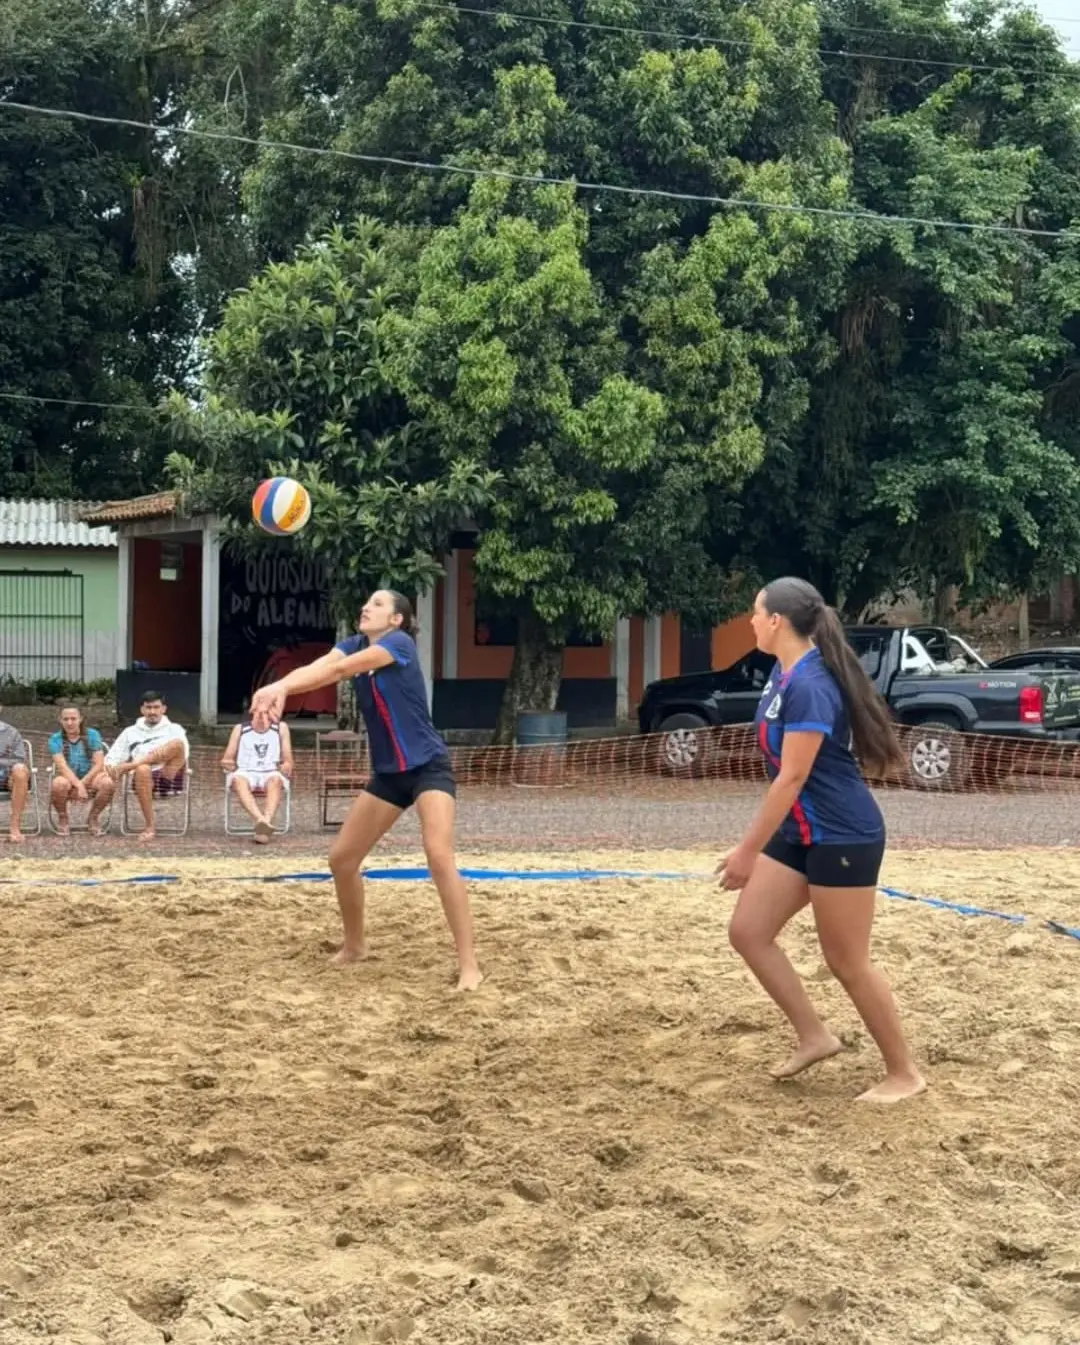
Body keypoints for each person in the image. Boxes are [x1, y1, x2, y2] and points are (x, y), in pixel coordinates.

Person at [718, 577, 926, 1105]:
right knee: (748, 930)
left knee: (847, 961)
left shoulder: (810, 683)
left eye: (754, 613)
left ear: (776, 622)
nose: (750, 621)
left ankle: (904, 1073)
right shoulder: (783, 672)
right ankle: (815, 1036)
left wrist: (746, 852)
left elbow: (790, 778)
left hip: (843, 834)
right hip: (804, 829)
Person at [250, 589, 483, 991]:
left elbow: (339, 672)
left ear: (396, 619)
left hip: (429, 766)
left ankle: (469, 965)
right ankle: (355, 947)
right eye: (366, 602)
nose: (366, 607)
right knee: (341, 860)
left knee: (438, 855)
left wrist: (281, 690)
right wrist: (280, 686)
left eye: (377, 604)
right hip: (390, 775)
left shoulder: (399, 644)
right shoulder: (355, 643)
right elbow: (324, 663)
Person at [104, 692, 189, 841]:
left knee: (177, 744)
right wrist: (111, 768)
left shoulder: (174, 728)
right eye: (148, 708)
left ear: (164, 709)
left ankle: (133, 764)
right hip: (142, 779)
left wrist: (129, 765)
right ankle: (150, 826)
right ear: (142, 710)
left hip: (169, 774)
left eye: (156, 707)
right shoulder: (130, 732)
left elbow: (183, 753)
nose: (152, 712)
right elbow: (112, 757)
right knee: (143, 769)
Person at [221, 706, 294, 842]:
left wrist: (286, 765)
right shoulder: (240, 729)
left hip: (270, 770)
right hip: (246, 770)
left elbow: (288, 759)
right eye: (258, 712)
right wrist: (227, 763)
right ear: (252, 712)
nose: (262, 716)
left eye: (266, 712)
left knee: (276, 781)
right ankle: (261, 821)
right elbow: (227, 758)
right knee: (238, 780)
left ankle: (264, 824)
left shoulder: (280, 728)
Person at [48, 705, 115, 835]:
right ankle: (63, 818)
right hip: (68, 776)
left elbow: (99, 763)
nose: (69, 722)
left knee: (107, 783)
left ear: (81, 719)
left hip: (91, 775)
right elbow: (62, 766)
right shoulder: (55, 739)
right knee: (58, 784)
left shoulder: (92, 735)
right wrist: (79, 785)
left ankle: (93, 817)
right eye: (65, 719)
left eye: (73, 719)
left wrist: (82, 783)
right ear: (60, 720)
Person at [0, 709, 31, 843]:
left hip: (6, 776)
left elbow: (19, 758)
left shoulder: (11, 732)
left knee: (20, 770)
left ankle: (15, 827)